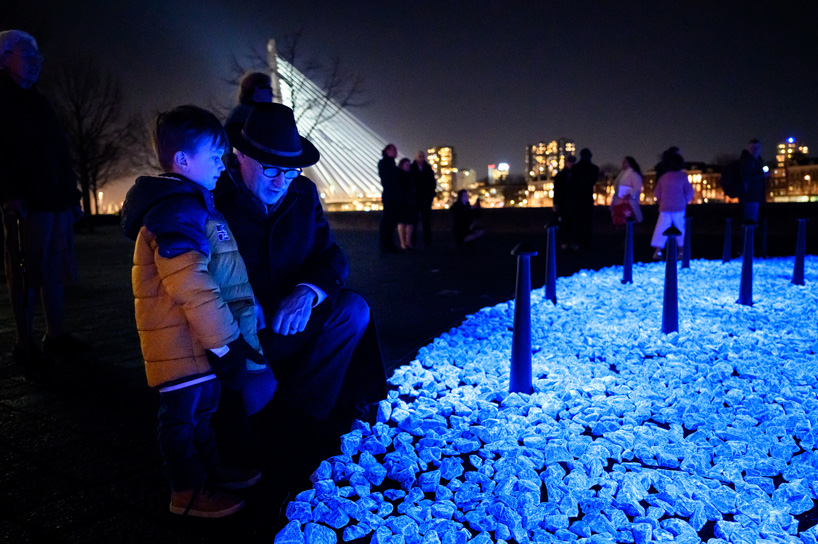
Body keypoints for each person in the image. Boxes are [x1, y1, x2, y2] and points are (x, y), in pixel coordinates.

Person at [214, 103, 386, 495]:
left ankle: (304, 416)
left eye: (290, 171)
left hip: (293, 319)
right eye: (271, 169)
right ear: (241, 156)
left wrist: (307, 291)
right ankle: (260, 431)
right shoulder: (215, 198)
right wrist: (240, 302)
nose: (281, 182)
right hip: (242, 328)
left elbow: (331, 257)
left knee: (353, 311)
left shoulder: (303, 193)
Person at [121, 105, 270, 518]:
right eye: (215, 157)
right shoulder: (176, 210)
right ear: (183, 161)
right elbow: (192, 285)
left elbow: (216, 274)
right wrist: (225, 344)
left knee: (201, 414)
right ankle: (185, 491)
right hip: (180, 343)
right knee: (181, 421)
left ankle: (209, 472)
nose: (223, 167)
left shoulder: (192, 203)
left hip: (193, 341)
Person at [0, 30, 90, 371]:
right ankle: (24, 342)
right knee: (24, 271)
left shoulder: (40, 100)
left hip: (54, 199)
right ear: (5, 57)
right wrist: (8, 193)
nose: (36, 62)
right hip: (26, 201)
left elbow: (60, 152)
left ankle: (56, 333)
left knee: (54, 267)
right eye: (27, 54)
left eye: (38, 56)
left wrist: (73, 197)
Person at [650, 152, 694, 260]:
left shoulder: (663, 177)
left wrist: (661, 202)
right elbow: (689, 192)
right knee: (681, 229)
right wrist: (685, 201)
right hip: (679, 207)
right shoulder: (683, 176)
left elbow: (657, 193)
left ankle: (658, 252)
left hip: (665, 207)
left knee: (661, 228)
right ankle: (681, 252)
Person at [570, 148, 600, 249]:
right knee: (588, 222)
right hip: (587, 198)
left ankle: (577, 241)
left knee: (577, 221)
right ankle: (587, 242)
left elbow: (572, 184)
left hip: (576, 199)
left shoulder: (575, 168)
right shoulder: (594, 168)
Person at [410, 150, 436, 248]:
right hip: (415, 198)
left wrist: (431, 195)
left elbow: (433, 183)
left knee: (427, 221)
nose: (421, 158)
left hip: (426, 198)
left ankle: (427, 241)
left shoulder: (428, 169)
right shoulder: (412, 168)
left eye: (422, 156)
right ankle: (412, 240)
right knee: (414, 221)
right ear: (416, 157)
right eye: (419, 156)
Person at [738, 138, 767, 223]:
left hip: (754, 197)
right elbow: (746, 177)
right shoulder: (747, 161)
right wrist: (763, 175)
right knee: (750, 222)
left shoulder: (756, 161)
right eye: (753, 148)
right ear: (748, 149)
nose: (755, 150)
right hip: (750, 197)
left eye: (757, 148)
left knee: (752, 221)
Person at [378, 143, 400, 252]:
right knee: (388, 220)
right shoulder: (386, 163)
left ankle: (388, 244)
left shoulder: (389, 163)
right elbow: (387, 179)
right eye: (393, 150)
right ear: (387, 151)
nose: (396, 152)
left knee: (390, 220)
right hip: (390, 195)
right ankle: (387, 244)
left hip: (391, 194)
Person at [610, 156, 644, 227]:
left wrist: (629, 193)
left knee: (628, 220)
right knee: (620, 220)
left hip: (629, 201)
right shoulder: (621, 174)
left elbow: (637, 187)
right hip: (619, 200)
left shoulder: (634, 174)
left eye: (625, 162)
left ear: (630, 163)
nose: (623, 163)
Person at [552, 155, 576, 249]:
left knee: (570, 223)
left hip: (568, 203)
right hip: (566, 203)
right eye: (570, 162)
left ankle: (567, 242)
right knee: (566, 223)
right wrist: (556, 204)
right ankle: (566, 242)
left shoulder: (562, 175)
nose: (571, 164)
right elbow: (557, 190)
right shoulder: (563, 175)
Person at [396, 158, 417, 250]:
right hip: (402, 201)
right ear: (402, 165)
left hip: (410, 201)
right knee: (402, 222)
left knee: (410, 222)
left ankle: (408, 242)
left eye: (409, 165)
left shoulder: (411, 175)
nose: (408, 166)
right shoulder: (399, 176)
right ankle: (403, 243)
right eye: (406, 165)